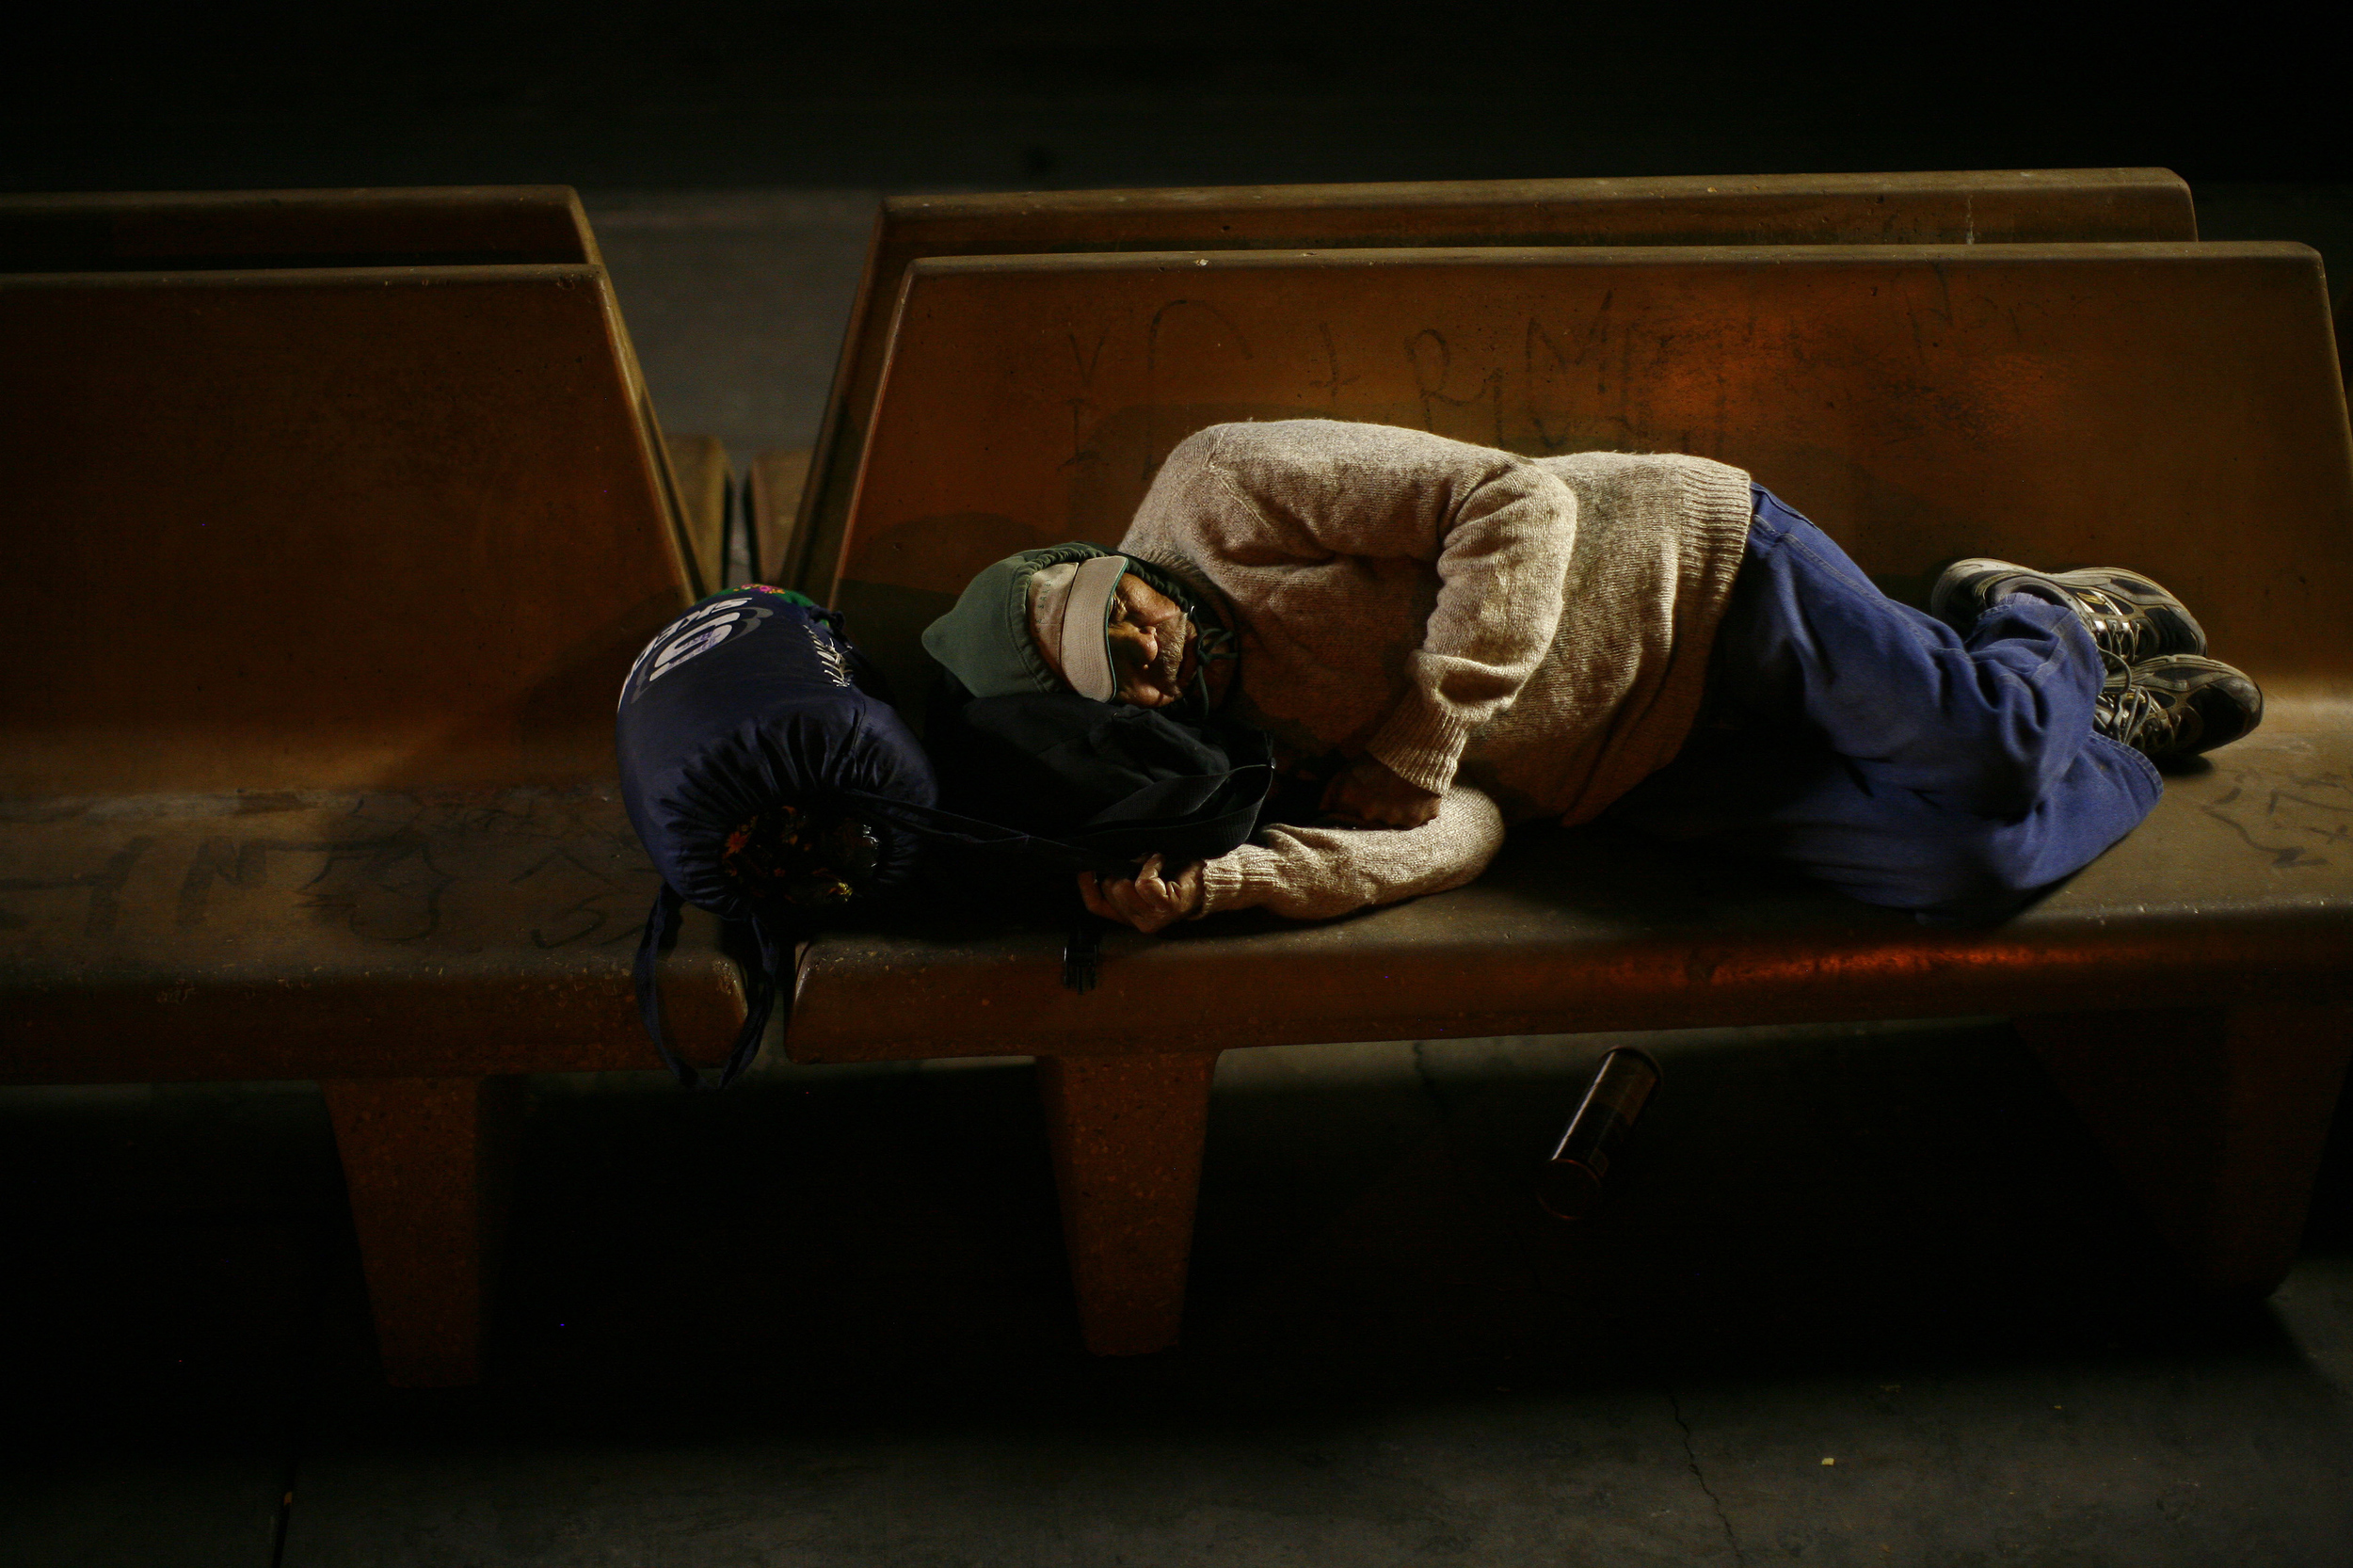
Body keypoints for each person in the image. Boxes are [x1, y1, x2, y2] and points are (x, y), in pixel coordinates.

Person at [919, 420, 2264, 934]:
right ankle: (2109, 726)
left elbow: (1512, 504)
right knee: (1965, 871)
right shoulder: (1216, 761)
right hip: (1641, 772)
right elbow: (1463, 826)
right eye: (1114, 677)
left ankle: (2040, 621)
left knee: (1987, 755)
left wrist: (1425, 724)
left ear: (1098, 562)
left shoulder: (1218, 485)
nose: (1146, 653)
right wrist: (1233, 881)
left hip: (1703, 581)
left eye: (1117, 615)